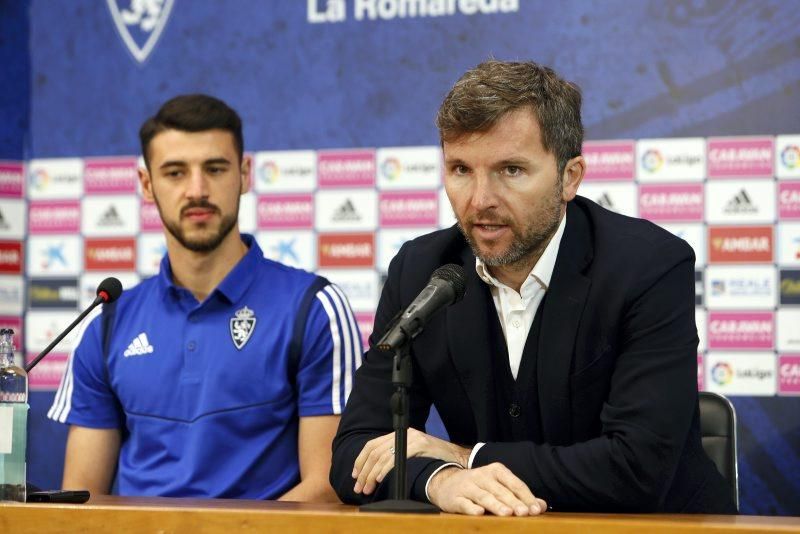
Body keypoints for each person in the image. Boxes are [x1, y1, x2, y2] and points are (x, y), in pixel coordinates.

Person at [330, 60, 735, 515]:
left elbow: (636, 468)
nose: (480, 199)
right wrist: (437, 481)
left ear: (570, 177)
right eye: (461, 169)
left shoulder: (647, 266)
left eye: (511, 170)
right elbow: (354, 455)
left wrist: (466, 458)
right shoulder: (421, 270)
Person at [48, 94, 362, 501]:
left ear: (245, 174)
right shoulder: (107, 321)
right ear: (147, 185)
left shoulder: (314, 308)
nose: (197, 190)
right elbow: (80, 498)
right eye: (175, 172)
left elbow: (328, 488)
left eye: (215, 169)